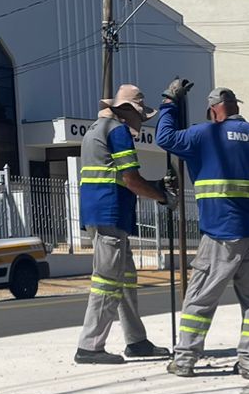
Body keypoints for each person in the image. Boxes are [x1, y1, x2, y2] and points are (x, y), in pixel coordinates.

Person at [155, 80, 249, 379]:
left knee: (199, 299)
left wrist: (169, 101)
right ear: (236, 108)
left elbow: (163, 137)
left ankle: (186, 359)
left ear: (213, 111)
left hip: (221, 233)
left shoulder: (204, 134)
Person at [74, 83, 174, 365]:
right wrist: (161, 196)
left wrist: (155, 187)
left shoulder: (95, 130)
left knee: (125, 280)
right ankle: (90, 346)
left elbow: (119, 176)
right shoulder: (116, 131)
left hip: (102, 214)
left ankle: (136, 340)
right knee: (107, 283)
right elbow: (130, 179)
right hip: (110, 214)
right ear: (127, 111)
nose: (140, 124)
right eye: (140, 117)